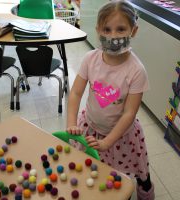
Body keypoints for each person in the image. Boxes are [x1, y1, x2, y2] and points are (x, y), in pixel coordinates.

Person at [66, 0, 155, 199]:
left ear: (134, 30)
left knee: (137, 170)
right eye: (107, 29)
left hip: (122, 136)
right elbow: (76, 93)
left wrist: (109, 141)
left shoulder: (136, 71)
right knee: (98, 169)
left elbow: (129, 113)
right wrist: (72, 124)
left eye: (121, 29)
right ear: (98, 29)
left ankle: (146, 190)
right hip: (90, 127)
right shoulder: (91, 59)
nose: (113, 36)